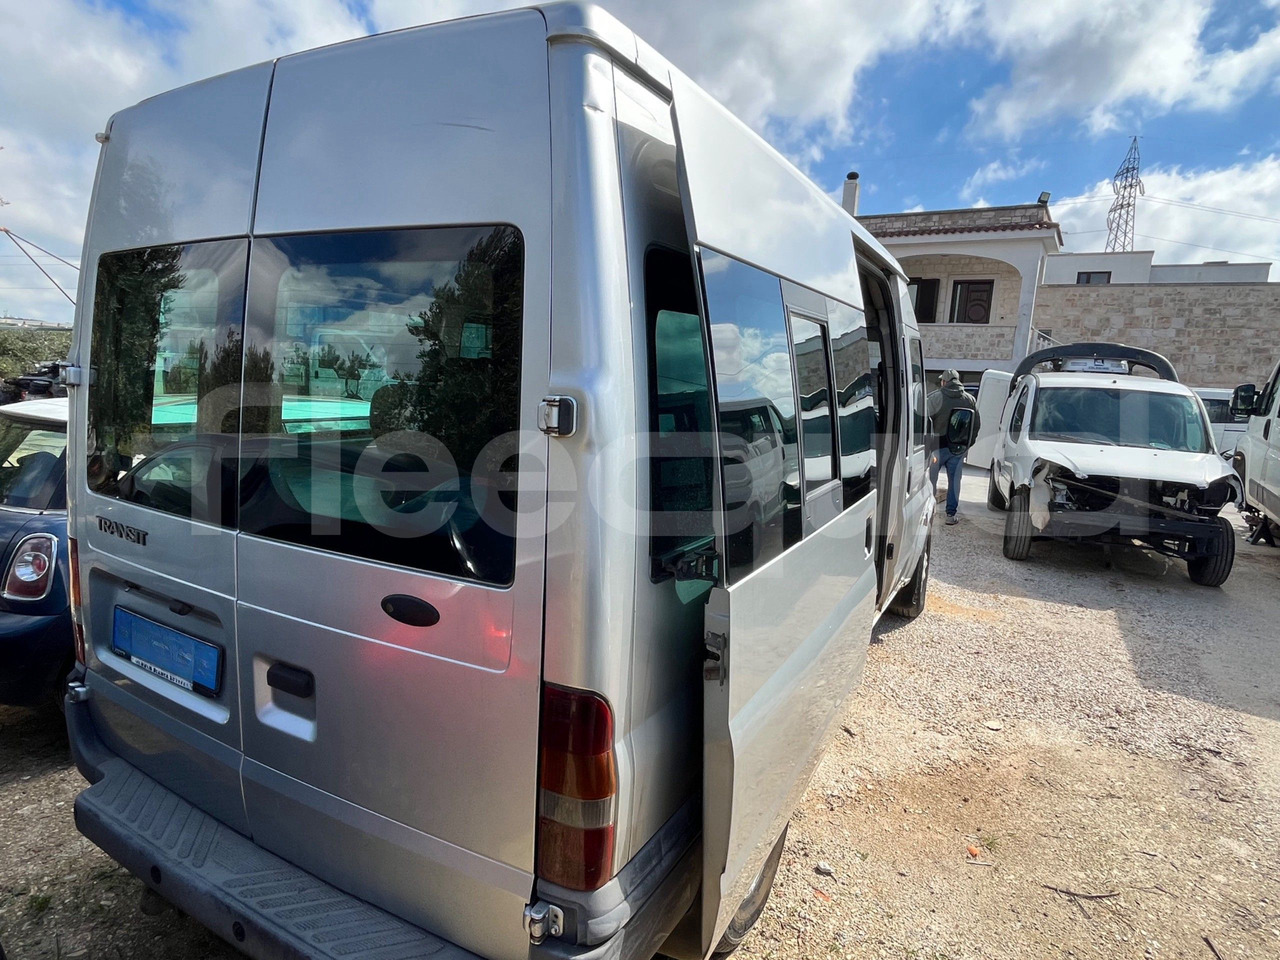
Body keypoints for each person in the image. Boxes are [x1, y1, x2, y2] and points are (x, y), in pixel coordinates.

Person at [928, 369, 979, 525]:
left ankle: (929, 512)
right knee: (954, 481)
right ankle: (950, 515)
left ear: (944, 381)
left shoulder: (935, 398)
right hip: (957, 448)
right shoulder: (970, 400)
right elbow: (976, 424)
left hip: (937, 447)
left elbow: (923, 421)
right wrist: (967, 444)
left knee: (931, 481)